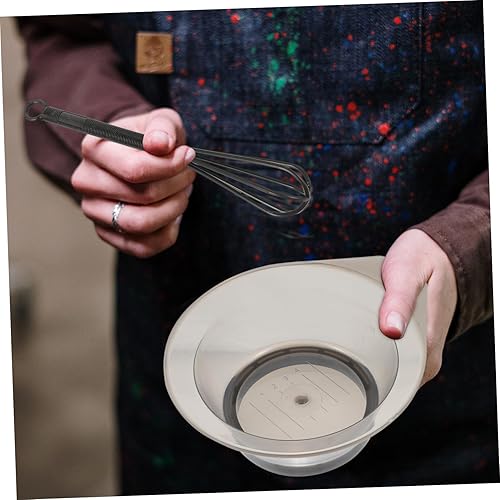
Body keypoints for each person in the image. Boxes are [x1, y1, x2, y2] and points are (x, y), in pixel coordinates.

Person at [17, 1, 497, 495]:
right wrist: (113, 125)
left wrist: (470, 243)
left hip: (448, 405)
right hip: (182, 390)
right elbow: (66, 38)